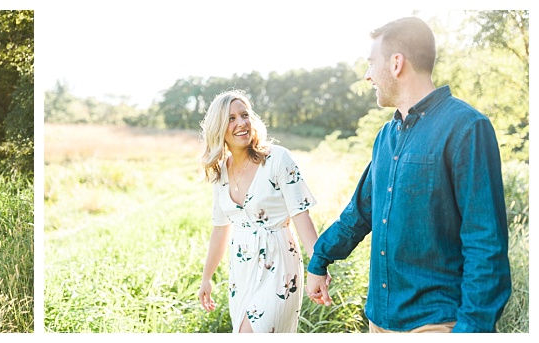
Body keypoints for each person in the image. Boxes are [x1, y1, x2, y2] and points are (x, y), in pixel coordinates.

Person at [305, 16, 511, 333]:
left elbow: (485, 243)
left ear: (397, 63)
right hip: (379, 320)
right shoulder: (386, 136)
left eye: (372, 63)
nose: (367, 75)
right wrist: (320, 259)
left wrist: (472, 330)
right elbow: (360, 212)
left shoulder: (467, 128)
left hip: (436, 322)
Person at [195, 90, 323, 333]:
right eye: (231, 118)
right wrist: (206, 278)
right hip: (241, 270)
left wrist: (318, 266)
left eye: (244, 115)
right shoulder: (220, 172)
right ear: (218, 127)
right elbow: (220, 229)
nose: (241, 123)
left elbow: (301, 216)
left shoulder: (277, 159)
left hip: (279, 263)